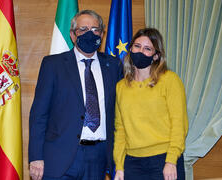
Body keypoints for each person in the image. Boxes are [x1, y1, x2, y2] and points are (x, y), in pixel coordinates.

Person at [29, 9, 122, 180]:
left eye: (95, 29)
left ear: (102, 34)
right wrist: (36, 157)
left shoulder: (114, 66)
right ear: (73, 35)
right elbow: (39, 115)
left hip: (99, 157)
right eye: (83, 29)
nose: (90, 33)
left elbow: (120, 113)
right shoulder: (53, 65)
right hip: (59, 157)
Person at [113, 28, 188, 180]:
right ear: (130, 48)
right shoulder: (121, 86)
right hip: (132, 163)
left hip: (164, 160)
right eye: (137, 46)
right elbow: (120, 129)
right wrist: (120, 167)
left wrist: (171, 160)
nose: (140, 51)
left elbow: (179, 123)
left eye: (147, 48)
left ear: (156, 56)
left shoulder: (170, 80)